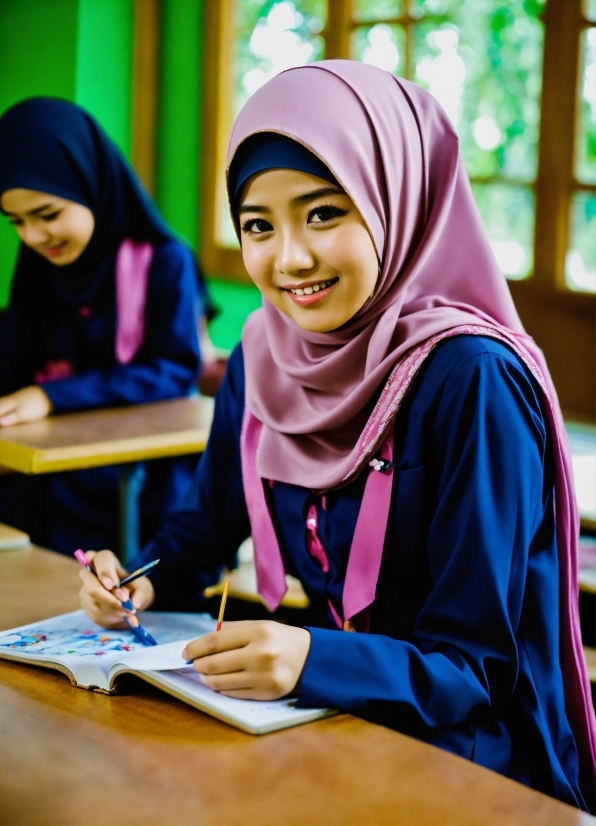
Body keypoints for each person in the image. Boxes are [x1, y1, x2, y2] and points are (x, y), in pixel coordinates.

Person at [77, 62, 596, 809]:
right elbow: (203, 529)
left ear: (397, 201)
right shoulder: (262, 353)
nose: (290, 259)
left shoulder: (471, 379)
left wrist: (314, 656)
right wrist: (136, 579)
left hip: (476, 763)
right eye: (259, 225)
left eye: (324, 213)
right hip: (330, 724)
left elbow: (478, 668)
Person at [0, 97, 207, 554]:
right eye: (16, 221)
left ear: (90, 184)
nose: (33, 236)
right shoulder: (39, 264)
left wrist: (51, 397)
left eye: (48, 214)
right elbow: (14, 354)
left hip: (141, 479)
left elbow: (173, 371)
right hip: (49, 474)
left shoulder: (164, 262)